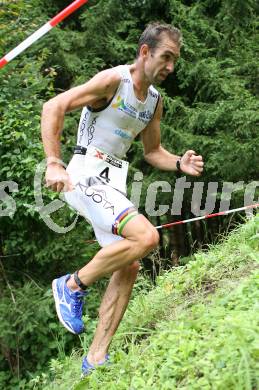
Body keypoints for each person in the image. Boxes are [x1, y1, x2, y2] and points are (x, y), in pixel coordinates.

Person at [41, 22, 204, 376]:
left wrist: (178, 162)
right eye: (166, 57)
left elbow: (152, 151)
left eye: (175, 60)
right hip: (83, 174)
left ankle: (95, 359)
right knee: (146, 237)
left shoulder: (155, 102)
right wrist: (54, 163)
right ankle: (71, 285)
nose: (170, 67)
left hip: (112, 182)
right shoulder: (113, 81)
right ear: (145, 52)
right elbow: (53, 106)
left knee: (128, 262)